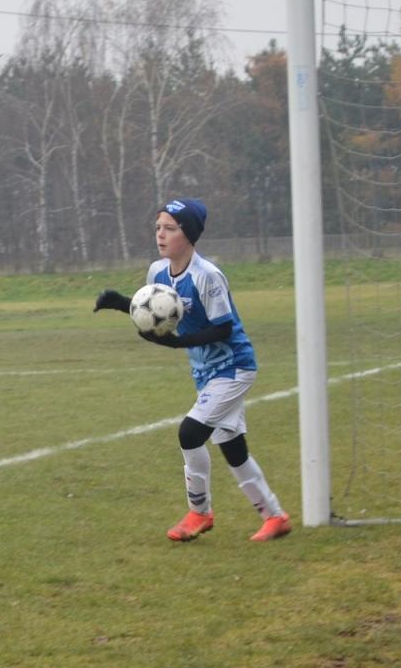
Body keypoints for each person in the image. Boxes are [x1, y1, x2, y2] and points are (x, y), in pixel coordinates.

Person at [95, 198, 291, 543]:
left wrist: (176, 344)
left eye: (170, 228)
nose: (161, 234)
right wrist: (120, 303)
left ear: (188, 234)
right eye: (158, 227)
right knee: (232, 446)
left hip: (233, 367)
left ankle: (199, 512)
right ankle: (274, 516)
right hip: (206, 373)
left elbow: (223, 328)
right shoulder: (157, 272)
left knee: (190, 433)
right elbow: (159, 311)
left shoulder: (207, 276)